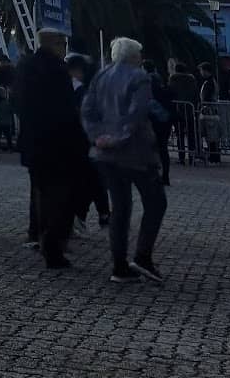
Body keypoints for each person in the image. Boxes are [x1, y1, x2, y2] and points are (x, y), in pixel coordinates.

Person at [81, 37, 167, 284]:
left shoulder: (100, 76)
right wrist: (119, 137)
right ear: (133, 56)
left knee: (120, 207)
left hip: (105, 155)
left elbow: (87, 111)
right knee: (156, 202)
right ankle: (142, 256)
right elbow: (137, 113)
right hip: (134, 153)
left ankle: (119, 266)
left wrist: (98, 137)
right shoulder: (139, 77)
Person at [14, 27, 88, 271]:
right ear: (54, 44)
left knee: (40, 193)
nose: (64, 48)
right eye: (62, 44)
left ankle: (39, 234)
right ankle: (53, 246)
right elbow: (66, 110)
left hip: (33, 142)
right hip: (57, 144)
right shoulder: (57, 71)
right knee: (61, 198)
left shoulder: (25, 68)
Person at [67, 54, 110, 226]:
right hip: (82, 141)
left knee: (93, 179)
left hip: (82, 141)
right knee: (93, 179)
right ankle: (87, 215)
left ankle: (91, 214)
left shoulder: (80, 89)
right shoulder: (80, 90)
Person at [144, 61, 174, 188]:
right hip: (165, 118)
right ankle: (165, 176)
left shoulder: (147, 81)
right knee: (162, 149)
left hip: (155, 119)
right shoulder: (161, 80)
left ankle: (153, 175)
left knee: (152, 148)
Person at [168, 61, 198, 164]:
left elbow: (170, 91)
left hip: (178, 109)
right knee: (191, 135)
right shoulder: (191, 79)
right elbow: (195, 93)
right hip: (190, 109)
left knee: (179, 134)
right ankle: (192, 157)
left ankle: (181, 157)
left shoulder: (173, 78)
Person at [197, 64, 221, 163]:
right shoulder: (212, 81)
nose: (201, 73)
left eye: (201, 70)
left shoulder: (209, 83)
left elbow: (206, 97)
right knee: (211, 135)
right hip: (211, 111)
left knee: (211, 135)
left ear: (206, 71)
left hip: (209, 111)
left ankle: (214, 156)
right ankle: (213, 155)